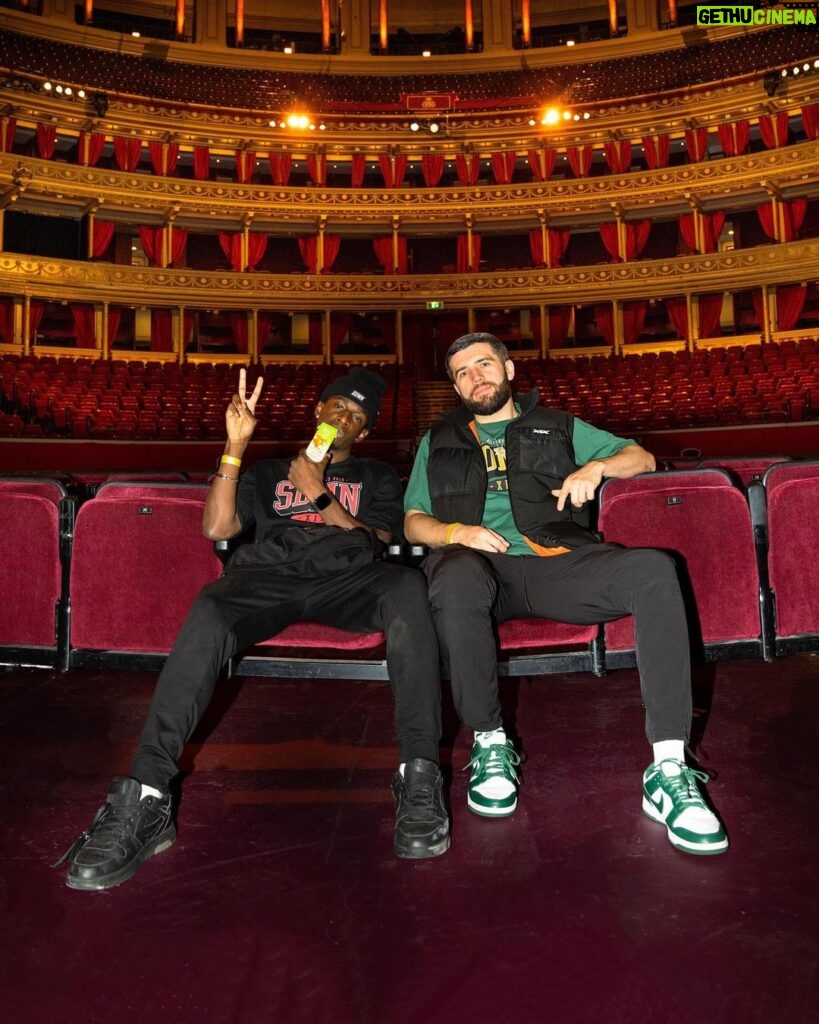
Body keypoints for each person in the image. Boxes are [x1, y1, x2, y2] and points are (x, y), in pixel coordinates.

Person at [56, 367, 449, 890]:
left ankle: (419, 774)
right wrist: (234, 446)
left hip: (349, 579)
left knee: (407, 591)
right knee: (211, 605)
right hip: (270, 577)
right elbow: (217, 528)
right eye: (337, 407)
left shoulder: (376, 476)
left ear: (364, 433)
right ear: (319, 411)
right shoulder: (265, 472)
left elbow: (375, 542)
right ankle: (147, 797)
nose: (344, 418)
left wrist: (318, 494)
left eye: (356, 417)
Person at [403, 332, 728, 856]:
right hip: (481, 568)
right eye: (462, 373)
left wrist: (597, 467)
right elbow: (413, 521)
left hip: (561, 563)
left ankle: (668, 767)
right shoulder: (437, 440)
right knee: (455, 574)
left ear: (509, 371)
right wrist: (454, 534)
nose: (475, 377)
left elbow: (640, 458)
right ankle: (489, 742)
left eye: (484, 365)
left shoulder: (556, 425)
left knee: (654, 569)